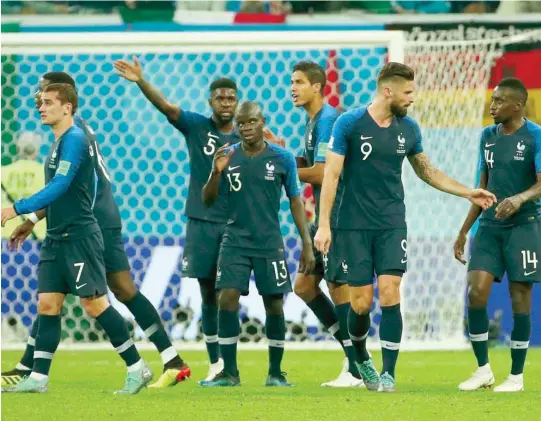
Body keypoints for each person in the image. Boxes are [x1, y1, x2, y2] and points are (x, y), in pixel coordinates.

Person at [315, 62, 497, 392]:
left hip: (391, 224)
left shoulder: (408, 128)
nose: (413, 98)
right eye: (408, 92)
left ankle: (388, 374)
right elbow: (331, 175)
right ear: (388, 91)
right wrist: (324, 225)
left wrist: (467, 191)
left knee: (389, 293)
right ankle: (359, 355)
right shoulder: (349, 123)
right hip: (351, 226)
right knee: (359, 303)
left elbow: (429, 172)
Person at [1, 72, 189, 389]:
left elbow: (69, 186)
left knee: (108, 296)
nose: (38, 100)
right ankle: (32, 370)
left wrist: (23, 210)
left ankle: (159, 362)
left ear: (66, 101)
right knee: (53, 298)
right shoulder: (64, 134)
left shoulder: (75, 136)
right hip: (77, 219)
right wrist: (33, 219)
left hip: (92, 220)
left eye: (45, 94)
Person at [114, 58, 241, 380]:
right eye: (220, 98)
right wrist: (141, 81)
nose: (225, 103)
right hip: (201, 220)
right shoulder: (197, 127)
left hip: (237, 225)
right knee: (207, 292)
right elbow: (168, 108)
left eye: (230, 98)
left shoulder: (248, 134)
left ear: (237, 102)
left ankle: (235, 363)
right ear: (210, 101)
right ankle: (217, 364)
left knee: (230, 294)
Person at [199, 101, 315, 387]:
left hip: (269, 242)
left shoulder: (282, 158)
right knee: (226, 297)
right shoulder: (227, 157)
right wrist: (215, 172)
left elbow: (295, 201)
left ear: (263, 122)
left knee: (274, 305)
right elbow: (208, 200)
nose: (246, 127)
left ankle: (275, 373)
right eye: (241, 123)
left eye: (252, 121)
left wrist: (307, 242)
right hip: (234, 240)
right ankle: (229, 372)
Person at [267, 60, 362, 387]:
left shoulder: (329, 121)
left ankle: (356, 367)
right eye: (291, 82)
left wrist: (281, 171)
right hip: (323, 215)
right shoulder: (313, 122)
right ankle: (354, 359)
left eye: (298, 82)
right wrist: (280, 155)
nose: (292, 87)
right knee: (305, 286)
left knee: (338, 288)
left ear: (317, 87)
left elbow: (323, 174)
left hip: (337, 216)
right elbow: (311, 164)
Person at [455, 78, 541, 392]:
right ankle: (482, 371)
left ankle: (516, 377)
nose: (492, 106)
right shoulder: (487, 137)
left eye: (499, 101)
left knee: (521, 297)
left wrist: (519, 198)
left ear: (517, 105)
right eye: (492, 100)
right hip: (489, 226)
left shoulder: (535, 136)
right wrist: (464, 230)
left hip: (525, 225)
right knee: (476, 293)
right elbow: (482, 187)